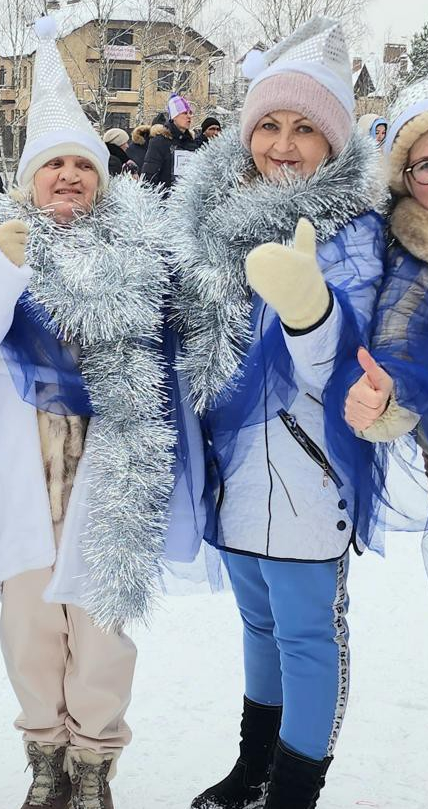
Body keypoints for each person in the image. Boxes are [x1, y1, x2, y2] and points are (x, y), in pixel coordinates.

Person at [0, 17, 193, 808]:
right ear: (30, 179)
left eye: (84, 164)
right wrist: (0, 268)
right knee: (31, 618)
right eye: (55, 167)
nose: (70, 177)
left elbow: (169, 347)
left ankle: (94, 760)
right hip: (22, 451)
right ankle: (45, 750)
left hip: (110, 452)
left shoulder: (140, 249)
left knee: (103, 621)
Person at [169, 18, 387, 809]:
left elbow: (347, 368)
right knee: (258, 628)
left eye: (305, 128)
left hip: (308, 472)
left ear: (333, 144)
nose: (284, 144)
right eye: (269, 124)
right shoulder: (210, 224)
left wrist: (308, 307)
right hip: (232, 478)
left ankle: (295, 790)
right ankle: (251, 767)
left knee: (307, 636)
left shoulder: (356, 236)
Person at [344, 78, 428, 472]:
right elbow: (399, 333)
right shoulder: (412, 259)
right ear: (405, 178)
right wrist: (384, 396)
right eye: (426, 166)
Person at [141, 93, 200, 192]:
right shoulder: (159, 142)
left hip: (187, 202)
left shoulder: (192, 144)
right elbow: (149, 176)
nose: (189, 116)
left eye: (190, 113)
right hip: (164, 202)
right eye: (184, 113)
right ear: (174, 116)